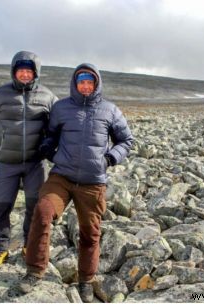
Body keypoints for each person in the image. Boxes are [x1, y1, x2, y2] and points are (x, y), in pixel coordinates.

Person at [17, 63, 134, 302]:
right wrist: (48, 150)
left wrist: (111, 158)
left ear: (97, 83)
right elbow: (51, 135)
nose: (85, 86)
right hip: (62, 177)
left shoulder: (110, 110)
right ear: (75, 83)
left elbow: (126, 140)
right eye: (81, 81)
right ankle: (35, 271)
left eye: (90, 82)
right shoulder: (61, 108)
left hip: (93, 183)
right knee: (43, 211)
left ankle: (86, 281)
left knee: (90, 234)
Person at [0, 51, 58, 269]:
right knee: (1, 206)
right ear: (14, 71)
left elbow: (56, 125)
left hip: (36, 163)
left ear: (36, 73)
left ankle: (29, 245)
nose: (25, 74)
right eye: (20, 70)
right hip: (7, 162)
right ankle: (1, 248)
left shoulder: (48, 97)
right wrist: (2, 140)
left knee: (35, 207)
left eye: (29, 70)